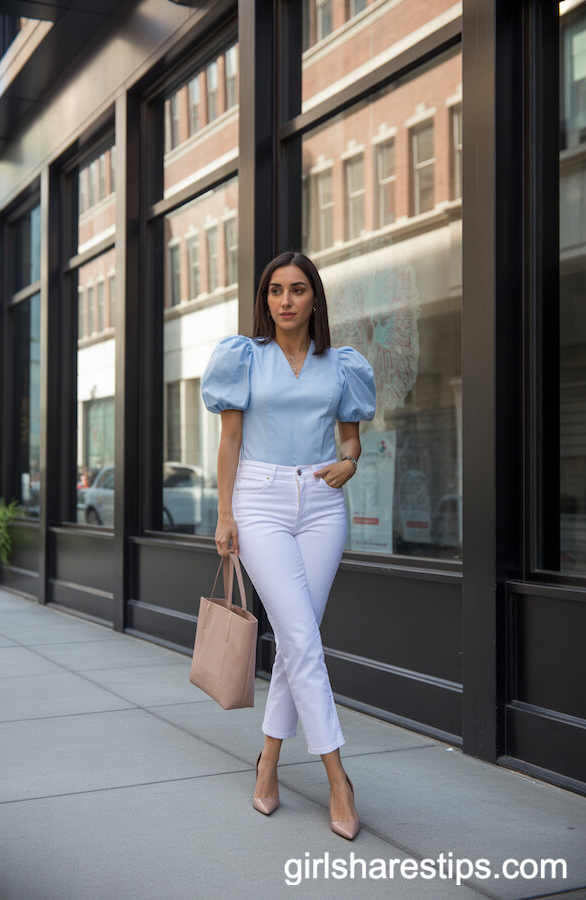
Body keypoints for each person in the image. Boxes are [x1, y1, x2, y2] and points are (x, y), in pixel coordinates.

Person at [201, 251, 375, 840]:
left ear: (315, 299)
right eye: (275, 290)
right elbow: (229, 443)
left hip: (323, 507)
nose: (285, 300)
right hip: (260, 501)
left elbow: (350, 442)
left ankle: (269, 763)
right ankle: (338, 780)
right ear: (265, 299)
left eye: (298, 290)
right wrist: (225, 513)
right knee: (301, 638)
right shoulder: (244, 358)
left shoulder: (342, 365)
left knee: (300, 644)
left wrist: (348, 466)